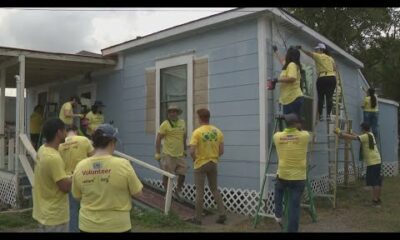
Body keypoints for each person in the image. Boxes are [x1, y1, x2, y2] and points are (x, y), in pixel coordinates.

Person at [72, 124, 143, 233]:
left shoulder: (80, 166)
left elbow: (77, 196)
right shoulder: (123, 164)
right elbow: (138, 193)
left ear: (94, 143)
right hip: (118, 226)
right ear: (112, 142)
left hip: (88, 225)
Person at [187, 108, 226, 225]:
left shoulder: (197, 132)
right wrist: (213, 156)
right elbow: (222, 151)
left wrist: (195, 159)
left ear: (199, 118)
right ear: (208, 117)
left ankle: (198, 219)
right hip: (213, 163)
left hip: (200, 164)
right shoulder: (217, 131)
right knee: (214, 189)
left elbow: (192, 151)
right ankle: (222, 214)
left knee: (200, 191)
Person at [32, 118, 71, 232]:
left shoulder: (42, 149)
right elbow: (65, 187)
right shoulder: (54, 158)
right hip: (55, 217)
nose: (66, 133)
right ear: (59, 132)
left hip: (42, 213)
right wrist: (76, 175)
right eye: (65, 130)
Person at [273, 113, 310, 232]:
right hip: (298, 178)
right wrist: (299, 126)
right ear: (296, 124)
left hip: (283, 175)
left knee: (278, 189)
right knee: (294, 207)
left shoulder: (277, 136)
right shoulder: (305, 136)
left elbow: (284, 133)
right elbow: (301, 131)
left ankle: (278, 214)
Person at [334, 122, 382, 207]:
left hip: (373, 162)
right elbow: (358, 137)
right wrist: (351, 132)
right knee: (377, 182)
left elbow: (354, 138)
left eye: (361, 129)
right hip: (377, 160)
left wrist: (340, 133)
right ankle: (377, 199)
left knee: (375, 182)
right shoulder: (370, 134)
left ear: (363, 129)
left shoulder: (365, 136)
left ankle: (375, 202)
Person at [58, 125, 94, 232]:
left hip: (68, 180)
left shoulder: (60, 145)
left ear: (66, 131)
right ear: (76, 131)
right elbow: (94, 158)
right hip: (85, 178)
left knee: (72, 209)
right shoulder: (84, 140)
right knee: (88, 207)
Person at [155, 105, 187, 201]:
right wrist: (157, 153)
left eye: (174, 112)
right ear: (168, 114)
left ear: (177, 113)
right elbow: (158, 138)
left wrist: (185, 149)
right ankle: (167, 194)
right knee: (167, 175)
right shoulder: (165, 124)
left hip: (180, 154)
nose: (172, 113)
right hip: (168, 154)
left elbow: (184, 136)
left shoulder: (182, 123)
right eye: (170, 112)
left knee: (183, 173)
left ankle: (178, 190)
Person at [298, 43, 337, 121]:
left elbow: (309, 53)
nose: (315, 51)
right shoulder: (331, 58)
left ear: (321, 50)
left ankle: (321, 115)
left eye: (317, 49)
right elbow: (335, 68)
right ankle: (328, 115)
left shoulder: (319, 56)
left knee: (321, 98)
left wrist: (301, 48)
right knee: (329, 98)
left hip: (322, 78)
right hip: (332, 78)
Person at [271, 46, 304, 118]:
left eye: (287, 53)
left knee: (292, 125)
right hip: (290, 99)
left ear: (290, 55)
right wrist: (276, 51)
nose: (286, 55)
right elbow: (282, 61)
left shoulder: (292, 65)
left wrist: (277, 80)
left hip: (292, 99)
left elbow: (292, 78)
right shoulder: (289, 65)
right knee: (293, 124)